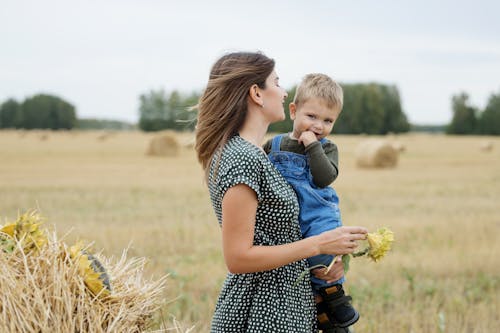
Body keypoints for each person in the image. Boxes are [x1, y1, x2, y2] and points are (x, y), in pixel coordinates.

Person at [195, 51, 367, 333]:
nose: (284, 92)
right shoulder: (242, 157)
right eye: (276, 82)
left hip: (287, 302)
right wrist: (320, 245)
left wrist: (325, 261)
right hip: (264, 310)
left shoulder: (256, 154)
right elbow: (238, 258)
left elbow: (282, 234)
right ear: (257, 94)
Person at [263, 73, 358, 331]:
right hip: (289, 217)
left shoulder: (328, 149)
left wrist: (312, 146)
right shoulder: (275, 145)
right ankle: (318, 306)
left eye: (328, 120)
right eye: (312, 117)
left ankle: (333, 297)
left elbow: (324, 177)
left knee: (323, 262)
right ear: (293, 111)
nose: (319, 126)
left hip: (318, 215)